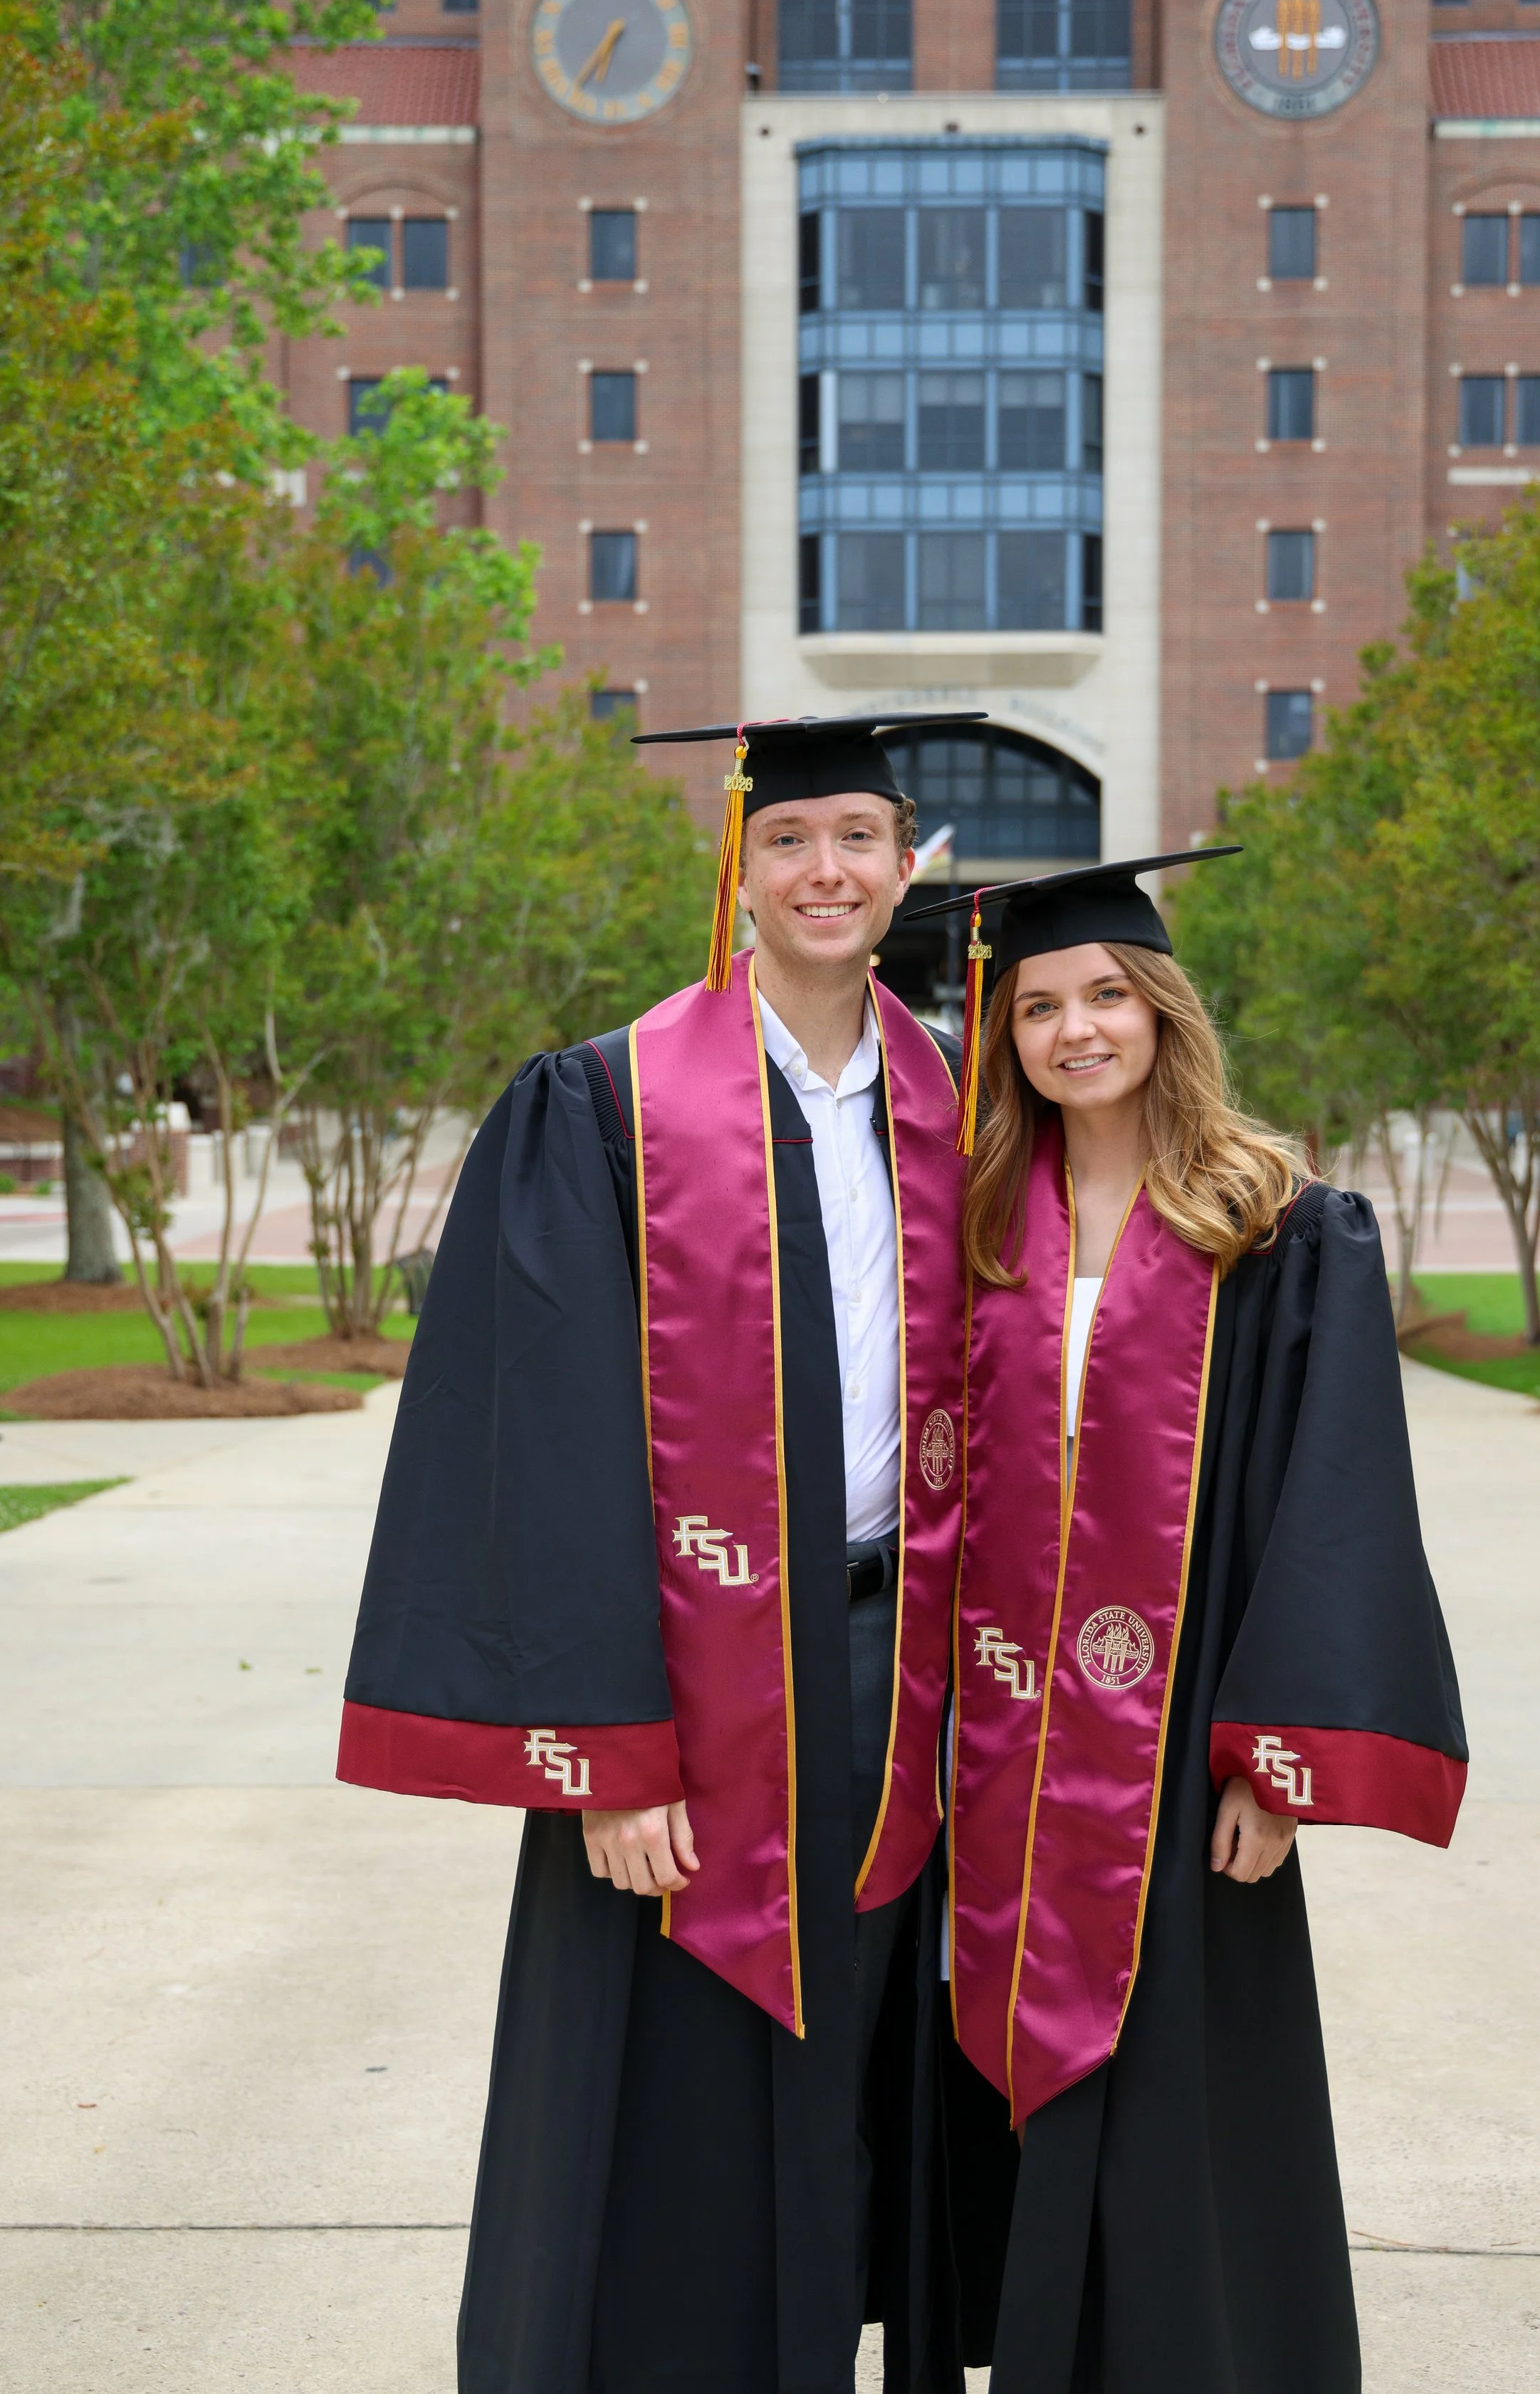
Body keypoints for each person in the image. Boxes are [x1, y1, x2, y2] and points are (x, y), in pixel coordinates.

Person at [337, 714, 985, 2394]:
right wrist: (608, 1750)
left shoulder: (965, 1097)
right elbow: (543, 1445)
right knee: (665, 2079)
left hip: (899, 1660)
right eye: (790, 841)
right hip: (678, 1673)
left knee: (870, 2051)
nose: (826, 870)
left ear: (904, 862)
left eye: (858, 835)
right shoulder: (607, 1099)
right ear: (739, 865)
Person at [907, 855, 1468, 2394]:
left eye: (1103, 996)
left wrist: (1272, 1765)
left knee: (1178, 2095)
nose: (1071, 1030)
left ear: (1162, 1012)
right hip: (997, 1747)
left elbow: (1331, 1505)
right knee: (995, 2062)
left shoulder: (1278, 1228)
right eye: (1034, 1005)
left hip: (1172, 1756)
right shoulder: (968, 1227)